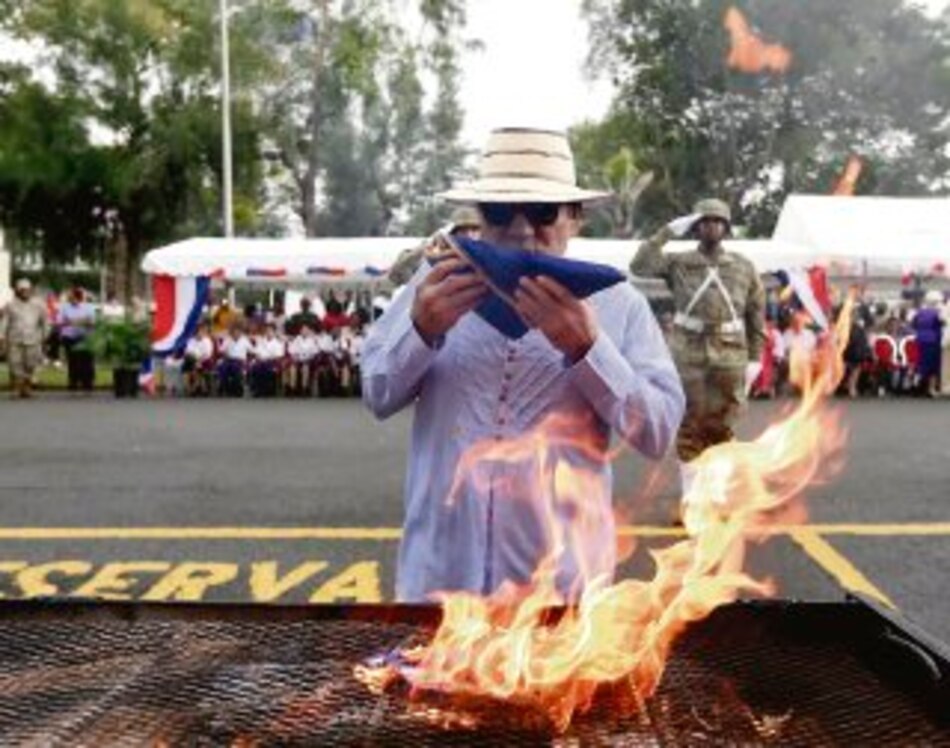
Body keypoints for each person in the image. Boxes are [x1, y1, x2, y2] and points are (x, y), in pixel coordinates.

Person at [363, 127, 684, 603]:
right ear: (478, 216)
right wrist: (422, 330)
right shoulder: (433, 285)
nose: (520, 229)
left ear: (575, 218)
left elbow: (657, 430)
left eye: (541, 212)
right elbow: (377, 393)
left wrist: (587, 348)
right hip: (440, 587)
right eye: (499, 212)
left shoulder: (618, 304)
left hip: (561, 598)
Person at [630, 199, 766, 504]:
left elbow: (756, 316)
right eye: (705, 221)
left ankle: (716, 497)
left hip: (730, 354)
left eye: (718, 221)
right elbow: (639, 266)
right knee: (690, 426)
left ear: (726, 228)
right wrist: (665, 232)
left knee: (722, 426)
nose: (711, 226)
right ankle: (691, 499)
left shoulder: (744, 267)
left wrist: (756, 357)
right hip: (687, 352)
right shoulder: (678, 262)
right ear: (695, 227)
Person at [387, 205, 483, 287]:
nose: (469, 235)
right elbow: (396, 274)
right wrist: (429, 244)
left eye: (474, 229)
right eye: (463, 230)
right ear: (453, 233)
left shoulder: (487, 255)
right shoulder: (437, 254)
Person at [1, 279, 48, 398]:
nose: (25, 292)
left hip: (33, 340)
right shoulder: (10, 305)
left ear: (31, 290)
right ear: (18, 291)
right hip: (14, 339)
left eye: (27, 290)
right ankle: (17, 389)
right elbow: (4, 323)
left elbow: (45, 322)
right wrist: (1, 336)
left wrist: (45, 336)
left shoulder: (39, 305)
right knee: (15, 364)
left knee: (31, 365)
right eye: (22, 290)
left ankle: (27, 389)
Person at [58, 287, 97, 391]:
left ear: (79, 298)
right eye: (70, 298)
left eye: (74, 298)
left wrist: (74, 321)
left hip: (86, 338)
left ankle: (87, 383)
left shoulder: (89, 307)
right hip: (70, 337)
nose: (71, 300)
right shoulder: (64, 307)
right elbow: (60, 322)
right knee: (72, 361)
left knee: (87, 361)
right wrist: (77, 321)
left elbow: (92, 322)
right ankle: (73, 382)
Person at [912, 290, 945, 398]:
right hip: (933, 341)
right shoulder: (938, 313)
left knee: (920, 363)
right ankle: (930, 388)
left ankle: (917, 385)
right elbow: (943, 324)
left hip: (919, 340)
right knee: (933, 366)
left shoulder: (920, 312)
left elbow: (914, 324)